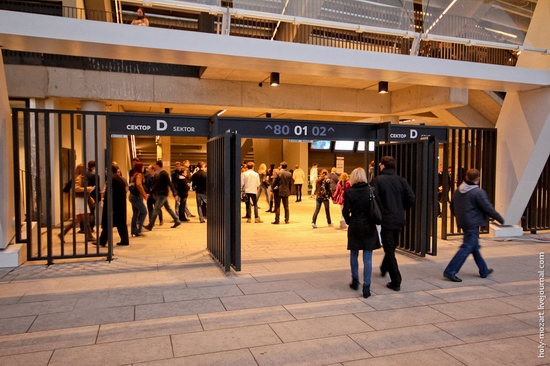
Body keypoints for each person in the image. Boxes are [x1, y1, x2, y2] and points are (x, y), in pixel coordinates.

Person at [443, 168, 504, 282]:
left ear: (466, 177)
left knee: (474, 246)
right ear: (478, 178)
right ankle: (450, 271)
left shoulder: (458, 190)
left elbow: (452, 206)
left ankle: (484, 270)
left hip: (464, 221)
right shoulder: (477, 192)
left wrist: (459, 216)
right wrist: (499, 218)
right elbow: (487, 207)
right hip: (473, 223)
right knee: (466, 247)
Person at [371, 156, 415, 292]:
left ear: (383, 166)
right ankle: (384, 268)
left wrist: (381, 212)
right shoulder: (401, 180)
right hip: (398, 218)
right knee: (392, 246)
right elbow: (411, 198)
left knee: (389, 250)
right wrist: (401, 208)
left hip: (386, 219)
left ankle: (396, 280)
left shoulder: (377, 181)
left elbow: (374, 199)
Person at [343, 168, 381, 298]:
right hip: (369, 225)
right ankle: (367, 287)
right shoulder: (371, 190)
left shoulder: (349, 192)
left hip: (355, 224)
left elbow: (345, 211)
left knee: (354, 253)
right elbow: (378, 206)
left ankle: (355, 280)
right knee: (368, 258)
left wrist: (349, 220)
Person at [60, 163, 96, 242]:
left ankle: (63, 233)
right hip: (80, 200)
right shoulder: (78, 178)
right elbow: (76, 188)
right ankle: (89, 236)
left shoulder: (79, 177)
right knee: (86, 218)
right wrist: (88, 188)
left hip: (81, 199)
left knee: (78, 220)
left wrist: (89, 197)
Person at [143, 160, 181, 230]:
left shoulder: (163, 174)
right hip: (161, 194)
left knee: (156, 209)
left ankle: (151, 225)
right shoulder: (158, 174)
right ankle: (177, 220)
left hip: (162, 194)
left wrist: (175, 193)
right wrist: (150, 193)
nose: (154, 166)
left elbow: (170, 183)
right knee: (168, 208)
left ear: (158, 165)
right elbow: (156, 185)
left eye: (155, 165)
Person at [98, 164, 130, 246]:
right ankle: (124, 240)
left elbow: (111, 193)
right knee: (121, 224)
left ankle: (102, 241)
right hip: (120, 205)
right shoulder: (119, 179)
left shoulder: (112, 179)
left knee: (108, 223)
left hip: (114, 205)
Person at [128, 162, 148, 237]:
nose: (143, 168)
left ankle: (134, 230)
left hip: (132, 196)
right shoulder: (139, 175)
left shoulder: (134, 174)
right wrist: (144, 194)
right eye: (142, 167)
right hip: (136, 197)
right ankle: (139, 230)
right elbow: (139, 184)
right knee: (144, 212)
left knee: (136, 213)